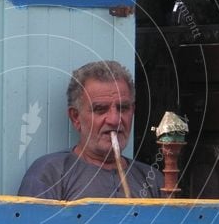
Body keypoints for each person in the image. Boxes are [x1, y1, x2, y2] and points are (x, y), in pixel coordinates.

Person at [18, 60, 163, 200]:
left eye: (123, 108)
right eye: (100, 109)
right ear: (76, 117)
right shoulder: (49, 174)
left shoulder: (152, 179)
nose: (114, 120)